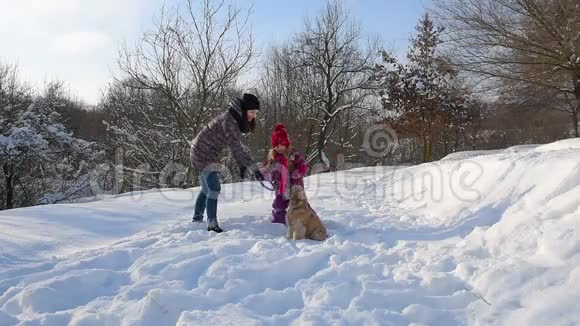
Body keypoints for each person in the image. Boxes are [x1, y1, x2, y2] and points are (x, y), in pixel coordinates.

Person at [190, 93, 264, 233]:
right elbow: (236, 148)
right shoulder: (230, 121)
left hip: (206, 151)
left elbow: (238, 148)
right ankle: (211, 223)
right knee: (214, 187)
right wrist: (250, 168)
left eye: (256, 113)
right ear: (244, 110)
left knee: (206, 189)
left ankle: (197, 218)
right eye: (252, 112)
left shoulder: (234, 117)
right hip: (202, 152)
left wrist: (247, 166)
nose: (254, 116)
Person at [262, 124, 308, 225]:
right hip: (280, 188)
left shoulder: (294, 155)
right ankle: (279, 221)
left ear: (286, 143)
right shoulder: (273, 158)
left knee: (299, 204)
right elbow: (268, 169)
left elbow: (303, 164)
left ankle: (305, 219)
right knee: (279, 204)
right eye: (276, 146)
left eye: (281, 145)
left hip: (295, 186)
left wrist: (299, 172)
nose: (278, 148)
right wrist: (265, 172)